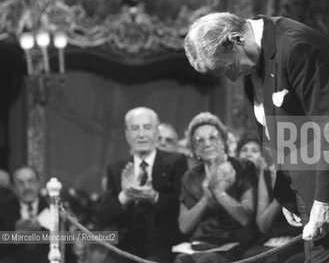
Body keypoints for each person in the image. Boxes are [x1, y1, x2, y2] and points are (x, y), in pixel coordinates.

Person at [184, 12, 329, 263]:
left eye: (227, 68)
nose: (231, 77)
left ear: (235, 38)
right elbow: (279, 133)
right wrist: (291, 191)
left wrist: (325, 201)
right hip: (309, 180)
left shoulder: (297, 47)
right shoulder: (253, 60)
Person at [98, 107, 188, 263]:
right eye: (135, 129)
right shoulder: (116, 169)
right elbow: (105, 217)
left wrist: (154, 197)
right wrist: (125, 195)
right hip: (126, 248)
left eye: (147, 128)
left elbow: (180, 208)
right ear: (127, 135)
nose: (141, 135)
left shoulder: (176, 162)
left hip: (164, 245)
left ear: (155, 132)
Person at [175, 112, 258, 263]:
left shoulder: (243, 167)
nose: (207, 144)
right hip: (201, 245)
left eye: (213, 137)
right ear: (194, 148)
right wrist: (205, 199)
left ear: (224, 140)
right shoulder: (190, 176)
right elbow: (184, 226)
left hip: (236, 244)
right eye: (200, 140)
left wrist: (219, 192)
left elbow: (245, 218)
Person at [236, 133, 302, 263]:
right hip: (271, 239)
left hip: (298, 238)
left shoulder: (304, 170)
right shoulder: (266, 174)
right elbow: (262, 225)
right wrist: (281, 193)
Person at [0, 166, 49, 263]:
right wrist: (15, 236)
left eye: (31, 181)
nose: (27, 187)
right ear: (13, 187)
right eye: (20, 183)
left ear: (39, 183)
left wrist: (40, 231)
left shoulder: (52, 208)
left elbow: (65, 248)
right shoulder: (3, 209)